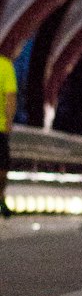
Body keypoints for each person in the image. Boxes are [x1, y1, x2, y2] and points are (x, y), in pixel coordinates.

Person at [0, 50, 16, 218]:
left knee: (2, 170)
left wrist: (8, 121)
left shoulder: (5, 66)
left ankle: (0, 197)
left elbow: (10, 96)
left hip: (0, 128)